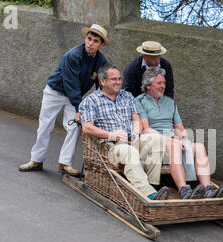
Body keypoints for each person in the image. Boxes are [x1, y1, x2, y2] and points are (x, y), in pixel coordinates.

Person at [19, 24, 110, 177]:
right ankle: (36, 160)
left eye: (95, 41)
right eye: (89, 39)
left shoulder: (101, 61)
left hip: (73, 98)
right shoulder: (73, 55)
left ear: (101, 45)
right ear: (85, 38)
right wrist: (80, 109)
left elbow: (101, 85)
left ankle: (65, 164)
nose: (90, 43)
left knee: (73, 127)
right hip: (55, 92)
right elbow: (71, 83)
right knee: (45, 126)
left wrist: (102, 105)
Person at [135, 67, 223, 199]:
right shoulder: (139, 101)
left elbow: (179, 127)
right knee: (174, 146)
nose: (163, 86)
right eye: (159, 83)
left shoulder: (170, 102)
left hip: (174, 140)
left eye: (164, 83)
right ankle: (183, 190)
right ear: (148, 85)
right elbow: (146, 129)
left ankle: (208, 189)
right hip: (155, 142)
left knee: (199, 147)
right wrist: (171, 140)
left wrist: (184, 139)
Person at [79, 64, 170, 200]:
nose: (118, 82)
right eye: (114, 79)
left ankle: (153, 186)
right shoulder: (91, 100)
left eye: (119, 79)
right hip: (111, 146)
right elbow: (87, 127)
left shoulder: (127, 96)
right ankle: (147, 193)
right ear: (103, 81)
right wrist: (111, 135)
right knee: (130, 152)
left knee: (158, 140)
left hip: (131, 140)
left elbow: (136, 119)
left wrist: (135, 134)